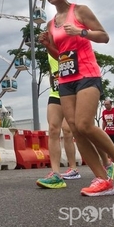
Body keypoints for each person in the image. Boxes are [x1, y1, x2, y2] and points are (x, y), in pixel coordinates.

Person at [38, 0, 114, 197]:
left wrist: (81, 31)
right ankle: (103, 180)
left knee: (84, 124)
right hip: (65, 79)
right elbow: (60, 53)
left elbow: (104, 37)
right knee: (75, 130)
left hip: (87, 73)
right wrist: (47, 45)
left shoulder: (80, 11)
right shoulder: (50, 24)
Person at [36, 55, 82, 189]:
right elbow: (52, 70)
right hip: (56, 92)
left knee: (73, 130)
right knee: (53, 129)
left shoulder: (70, 41)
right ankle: (56, 174)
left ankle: (76, 167)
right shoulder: (49, 48)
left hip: (72, 92)